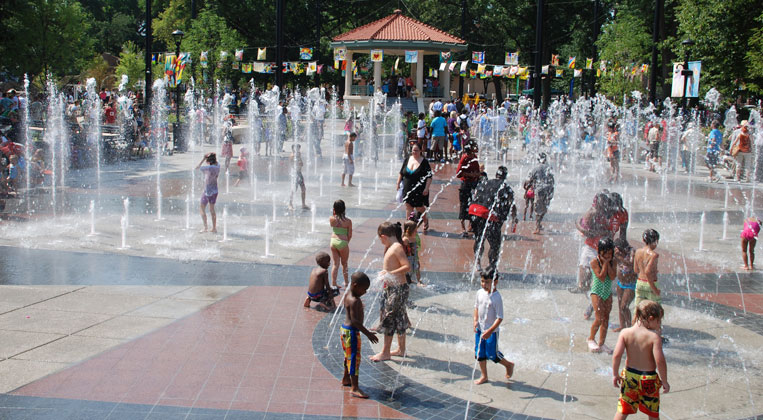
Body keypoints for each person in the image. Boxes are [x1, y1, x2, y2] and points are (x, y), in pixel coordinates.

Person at [612, 300, 669, 419]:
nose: (659, 325)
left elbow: (617, 355)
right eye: (659, 321)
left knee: (623, 409)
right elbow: (660, 361)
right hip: (648, 379)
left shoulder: (625, 332)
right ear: (651, 318)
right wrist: (664, 381)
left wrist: (615, 374)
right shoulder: (654, 337)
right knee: (652, 412)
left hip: (629, 377)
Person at [370, 222, 411, 362]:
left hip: (397, 289)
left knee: (389, 319)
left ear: (383, 236)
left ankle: (385, 352)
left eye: (380, 239)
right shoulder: (393, 247)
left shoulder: (396, 247)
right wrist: (386, 274)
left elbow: (407, 266)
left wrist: (390, 274)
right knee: (399, 318)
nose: (381, 242)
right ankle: (401, 349)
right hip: (395, 288)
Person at [469, 166, 517, 272]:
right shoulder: (505, 187)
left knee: (479, 239)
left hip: (474, 211)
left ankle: (477, 264)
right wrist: (514, 218)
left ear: (496, 175)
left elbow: (475, 195)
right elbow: (512, 203)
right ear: (505, 177)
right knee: (495, 244)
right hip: (487, 214)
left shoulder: (485, 182)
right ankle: (492, 266)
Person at [340, 271, 379, 398]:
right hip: (352, 332)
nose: (365, 292)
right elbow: (355, 321)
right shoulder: (355, 301)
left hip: (344, 330)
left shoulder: (348, 295)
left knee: (348, 356)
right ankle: (355, 387)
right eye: (364, 289)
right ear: (356, 286)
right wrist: (368, 334)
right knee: (354, 360)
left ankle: (346, 378)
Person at [473, 270, 515, 385]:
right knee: (479, 353)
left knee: (492, 354)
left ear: (495, 282)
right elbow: (476, 307)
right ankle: (484, 376)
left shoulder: (496, 297)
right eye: (482, 281)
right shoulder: (479, 293)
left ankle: (508, 365)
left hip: (491, 332)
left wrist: (490, 331)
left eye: (487, 282)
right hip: (480, 329)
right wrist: (475, 320)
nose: (483, 284)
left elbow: (500, 317)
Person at [587, 237, 617, 354]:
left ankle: (602, 343)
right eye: (606, 253)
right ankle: (590, 338)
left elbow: (613, 276)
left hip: (607, 293)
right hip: (597, 292)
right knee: (599, 318)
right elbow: (602, 276)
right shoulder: (594, 262)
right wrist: (604, 263)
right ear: (600, 251)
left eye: (610, 253)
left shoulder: (613, 262)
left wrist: (608, 263)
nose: (608, 255)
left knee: (606, 319)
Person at [396, 144, 433, 232]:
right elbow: (401, 172)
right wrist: (398, 183)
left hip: (419, 189)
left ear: (420, 151)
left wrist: (426, 188)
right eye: (413, 150)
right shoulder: (407, 159)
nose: (414, 152)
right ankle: (408, 227)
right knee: (408, 206)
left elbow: (429, 177)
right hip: (407, 188)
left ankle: (425, 220)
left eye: (416, 150)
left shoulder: (424, 162)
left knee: (419, 207)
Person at [525, 152, 555, 234]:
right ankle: (539, 223)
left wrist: (526, 187)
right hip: (548, 190)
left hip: (539, 191)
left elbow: (529, 180)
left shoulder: (535, 168)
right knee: (545, 207)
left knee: (537, 208)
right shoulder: (549, 168)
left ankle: (537, 226)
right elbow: (552, 180)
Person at [456, 144, 480, 237]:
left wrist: (477, 174)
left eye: (471, 153)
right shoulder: (464, 158)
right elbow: (458, 173)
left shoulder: (474, 158)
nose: (470, 155)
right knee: (463, 205)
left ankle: (471, 226)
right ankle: (463, 228)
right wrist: (470, 175)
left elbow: (478, 171)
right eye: (468, 153)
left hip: (473, 184)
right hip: (465, 185)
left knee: (473, 205)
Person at [614, 238, 637, 332]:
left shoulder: (632, 252)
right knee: (620, 306)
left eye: (617, 248)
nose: (616, 250)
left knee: (624, 306)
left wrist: (619, 258)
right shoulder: (616, 253)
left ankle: (629, 327)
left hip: (630, 284)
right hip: (620, 282)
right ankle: (622, 326)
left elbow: (631, 264)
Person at [634, 229, 661, 309]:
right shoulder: (654, 255)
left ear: (643, 239)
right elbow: (648, 271)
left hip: (639, 283)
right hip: (650, 284)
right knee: (655, 310)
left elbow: (636, 270)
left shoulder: (638, 252)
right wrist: (654, 288)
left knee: (638, 310)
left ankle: (634, 321)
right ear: (656, 241)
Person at [329, 200, 352, 288]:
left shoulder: (331, 219)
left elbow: (333, 225)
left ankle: (333, 283)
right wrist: (346, 243)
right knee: (344, 263)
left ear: (334, 209)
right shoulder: (348, 221)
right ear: (344, 209)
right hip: (343, 242)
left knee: (335, 264)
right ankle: (346, 282)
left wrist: (334, 212)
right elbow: (350, 234)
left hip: (333, 241)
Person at [196, 153, 220, 233]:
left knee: (202, 208)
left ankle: (205, 227)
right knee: (212, 209)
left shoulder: (207, 168)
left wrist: (203, 159)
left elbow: (197, 167)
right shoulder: (217, 167)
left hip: (207, 191)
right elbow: (217, 162)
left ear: (208, 160)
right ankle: (214, 228)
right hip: (215, 190)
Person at [288, 144, 308, 210]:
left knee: (303, 189)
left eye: (299, 148)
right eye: (297, 148)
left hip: (299, 173)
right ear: (293, 149)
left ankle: (303, 204)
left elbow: (301, 163)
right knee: (293, 190)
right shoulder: (292, 156)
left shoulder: (299, 154)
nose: (298, 150)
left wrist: (300, 163)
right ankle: (290, 204)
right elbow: (291, 165)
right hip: (295, 174)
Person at [402, 219, 422, 285]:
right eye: (415, 231)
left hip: (414, 257)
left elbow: (415, 249)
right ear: (409, 231)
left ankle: (419, 281)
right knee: (406, 272)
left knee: (417, 268)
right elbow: (402, 252)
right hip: (407, 259)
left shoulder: (414, 238)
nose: (416, 232)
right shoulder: (405, 240)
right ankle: (406, 281)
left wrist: (417, 259)